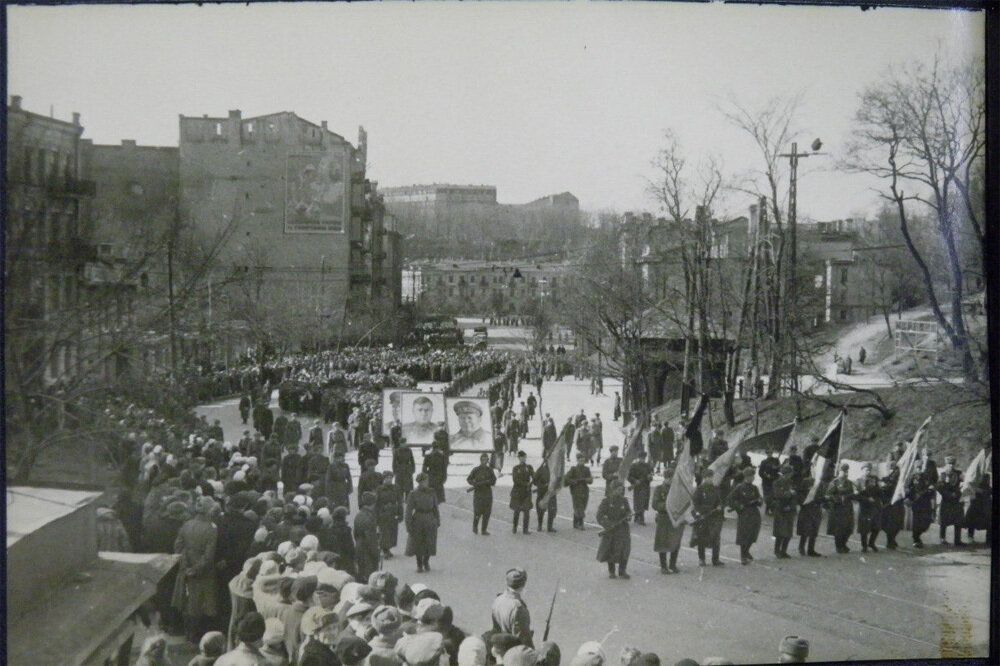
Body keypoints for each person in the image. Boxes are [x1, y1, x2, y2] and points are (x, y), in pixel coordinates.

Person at [173, 497, 219, 644]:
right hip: (203, 573)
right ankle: (198, 636)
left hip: (185, 569)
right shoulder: (212, 529)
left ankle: (188, 633)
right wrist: (195, 569)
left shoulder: (186, 525)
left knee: (187, 602)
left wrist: (186, 566)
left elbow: (178, 547)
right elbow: (209, 556)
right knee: (203, 605)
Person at [652, 464, 684, 574]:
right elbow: (655, 504)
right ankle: (663, 566)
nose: (672, 480)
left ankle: (673, 564)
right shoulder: (659, 489)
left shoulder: (677, 490)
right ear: (666, 478)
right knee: (663, 543)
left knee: (675, 541)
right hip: (664, 518)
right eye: (670, 478)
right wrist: (667, 506)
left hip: (675, 519)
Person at [597, 480, 632, 579]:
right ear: (613, 490)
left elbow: (628, 511)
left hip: (623, 529)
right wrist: (608, 524)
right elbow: (599, 516)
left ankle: (622, 571)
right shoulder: (606, 501)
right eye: (618, 489)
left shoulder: (624, 500)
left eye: (621, 489)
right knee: (611, 550)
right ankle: (611, 571)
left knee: (625, 550)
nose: (620, 491)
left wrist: (628, 516)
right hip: (612, 530)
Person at [405, 474, 440, 573]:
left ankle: (426, 561)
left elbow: (436, 507)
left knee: (430, 542)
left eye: (426, 481)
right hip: (418, 520)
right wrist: (408, 525)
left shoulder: (432, 492)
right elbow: (408, 511)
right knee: (418, 543)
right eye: (423, 481)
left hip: (430, 519)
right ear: (419, 482)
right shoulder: (413, 494)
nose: (425, 483)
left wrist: (437, 520)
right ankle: (419, 564)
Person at [728, 467, 763, 565]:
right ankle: (743, 555)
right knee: (744, 535)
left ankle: (747, 551)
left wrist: (760, 501)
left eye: (753, 476)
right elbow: (730, 499)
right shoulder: (739, 487)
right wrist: (739, 506)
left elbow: (758, 499)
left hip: (754, 513)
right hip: (745, 514)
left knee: (753, 534)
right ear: (746, 476)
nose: (752, 478)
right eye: (750, 476)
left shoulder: (754, 488)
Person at [491, 568, 534, 647]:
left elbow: (495, 629)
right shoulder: (519, 609)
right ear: (523, 584)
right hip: (512, 652)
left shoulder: (497, 600)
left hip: (500, 647)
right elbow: (523, 643)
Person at [691, 469, 724, 566]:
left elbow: (719, 501)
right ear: (704, 478)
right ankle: (702, 559)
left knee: (716, 538)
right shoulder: (700, 489)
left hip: (714, 517)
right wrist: (706, 509)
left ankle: (715, 559)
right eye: (709, 477)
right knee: (701, 538)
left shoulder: (715, 488)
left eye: (711, 477)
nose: (711, 479)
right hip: (703, 517)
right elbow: (696, 504)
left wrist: (719, 507)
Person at [826, 464, 856, 553]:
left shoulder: (849, 482)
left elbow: (853, 493)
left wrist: (849, 496)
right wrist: (838, 499)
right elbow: (828, 494)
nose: (846, 473)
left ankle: (844, 543)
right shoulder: (834, 482)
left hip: (847, 508)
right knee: (839, 529)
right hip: (837, 509)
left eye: (847, 471)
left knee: (848, 528)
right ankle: (839, 546)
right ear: (839, 471)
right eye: (844, 471)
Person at [937, 456, 965, 546]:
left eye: (953, 464)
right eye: (949, 464)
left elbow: (964, 483)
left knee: (958, 520)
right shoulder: (943, 475)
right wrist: (949, 494)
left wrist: (960, 491)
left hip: (956, 500)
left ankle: (957, 540)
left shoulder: (959, 473)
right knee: (944, 520)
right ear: (946, 464)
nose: (951, 466)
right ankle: (942, 538)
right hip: (946, 500)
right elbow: (940, 488)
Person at [771, 464, 798, 559]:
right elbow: (778, 495)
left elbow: (795, 496)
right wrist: (789, 493)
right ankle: (777, 550)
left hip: (789, 510)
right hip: (780, 509)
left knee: (788, 532)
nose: (789, 476)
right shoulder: (777, 483)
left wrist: (792, 506)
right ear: (783, 474)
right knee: (780, 532)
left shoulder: (791, 483)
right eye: (788, 474)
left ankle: (784, 551)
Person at [795, 469, 824, 557]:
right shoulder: (804, 487)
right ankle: (801, 547)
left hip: (816, 510)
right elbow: (801, 498)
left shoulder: (818, 487)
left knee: (814, 531)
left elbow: (821, 497)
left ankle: (811, 549)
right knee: (805, 530)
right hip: (807, 511)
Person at [467, 453, 497, 535]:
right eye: (483, 460)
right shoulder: (476, 470)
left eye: (486, 460)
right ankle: (475, 527)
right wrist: (475, 484)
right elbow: (469, 479)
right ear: (480, 460)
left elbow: (494, 480)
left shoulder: (490, 470)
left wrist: (488, 482)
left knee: (487, 513)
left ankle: (484, 530)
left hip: (487, 493)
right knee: (477, 512)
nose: (484, 461)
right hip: (478, 494)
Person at [856, 462, 883, 553]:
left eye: (869, 470)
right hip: (865, 507)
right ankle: (864, 546)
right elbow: (857, 495)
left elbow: (880, 492)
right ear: (862, 470)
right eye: (866, 469)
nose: (868, 471)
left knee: (876, 527)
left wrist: (877, 487)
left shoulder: (874, 479)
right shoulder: (859, 480)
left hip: (875, 506)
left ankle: (871, 542)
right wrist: (867, 499)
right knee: (864, 528)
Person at [376, 471, 404, 558]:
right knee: (384, 532)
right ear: (383, 479)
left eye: (390, 478)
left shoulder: (396, 488)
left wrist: (400, 514)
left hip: (393, 512)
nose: (389, 480)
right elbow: (376, 502)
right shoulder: (379, 489)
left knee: (392, 532)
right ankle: (385, 550)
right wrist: (376, 515)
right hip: (383, 512)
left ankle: (388, 549)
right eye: (387, 478)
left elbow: (400, 501)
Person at [879, 457, 904, 549]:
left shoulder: (899, 480)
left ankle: (892, 539)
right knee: (889, 524)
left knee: (897, 523)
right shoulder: (885, 480)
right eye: (891, 469)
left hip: (897, 503)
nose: (892, 471)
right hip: (888, 504)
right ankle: (890, 540)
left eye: (894, 469)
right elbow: (883, 490)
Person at [906, 468, 935, 548]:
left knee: (926, 522)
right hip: (917, 503)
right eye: (917, 467)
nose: (918, 469)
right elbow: (908, 488)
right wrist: (910, 497)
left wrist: (930, 491)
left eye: (920, 467)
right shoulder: (912, 477)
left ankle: (917, 536)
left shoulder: (926, 476)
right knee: (917, 522)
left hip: (926, 503)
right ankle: (916, 539)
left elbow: (931, 487)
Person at [355, 492, 380, 581]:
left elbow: (355, 534)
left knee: (362, 574)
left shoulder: (358, 515)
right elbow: (371, 539)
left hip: (359, 546)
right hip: (367, 551)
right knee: (371, 577)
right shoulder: (369, 518)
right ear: (372, 503)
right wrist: (376, 554)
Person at [564, 454, 593, 529]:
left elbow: (590, 480)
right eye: (580, 460)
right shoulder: (573, 469)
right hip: (576, 491)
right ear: (577, 460)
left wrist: (585, 480)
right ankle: (581, 523)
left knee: (583, 507)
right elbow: (566, 478)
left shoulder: (586, 469)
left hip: (585, 490)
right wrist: (574, 481)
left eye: (583, 461)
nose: (582, 462)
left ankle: (575, 522)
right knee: (579, 507)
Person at [510, 451, 535, 535]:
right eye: (522, 457)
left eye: (525, 457)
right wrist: (526, 484)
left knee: (527, 511)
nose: (524, 459)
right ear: (519, 458)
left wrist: (534, 480)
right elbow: (515, 480)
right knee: (517, 511)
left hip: (527, 492)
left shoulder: (529, 467)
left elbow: (534, 476)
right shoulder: (516, 468)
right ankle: (514, 527)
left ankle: (525, 529)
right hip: (518, 492)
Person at [627, 451, 653, 525]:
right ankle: (640, 517)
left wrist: (650, 478)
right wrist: (635, 480)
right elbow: (629, 477)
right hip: (638, 487)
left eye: (644, 458)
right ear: (638, 458)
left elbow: (650, 475)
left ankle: (638, 515)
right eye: (641, 458)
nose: (643, 459)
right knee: (639, 502)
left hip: (646, 486)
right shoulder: (634, 466)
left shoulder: (648, 466)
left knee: (644, 502)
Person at [533, 458, 557, 533]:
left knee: (552, 510)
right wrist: (542, 485)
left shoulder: (555, 470)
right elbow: (534, 481)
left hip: (551, 492)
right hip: (542, 492)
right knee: (540, 509)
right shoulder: (541, 469)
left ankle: (550, 526)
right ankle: (539, 525)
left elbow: (559, 480)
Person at [758, 450, 781, 516]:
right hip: (766, 482)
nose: (769, 454)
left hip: (774, 480)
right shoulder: (764, 462)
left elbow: (780, 469)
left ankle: (772, 509)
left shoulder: (776, 461)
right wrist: (766, 476)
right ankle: (767, 510)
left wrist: (777, 468)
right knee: (767, 496)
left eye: (771, 453)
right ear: (767, 453)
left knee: (774, 496)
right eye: (768, 453)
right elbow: (760, 472)